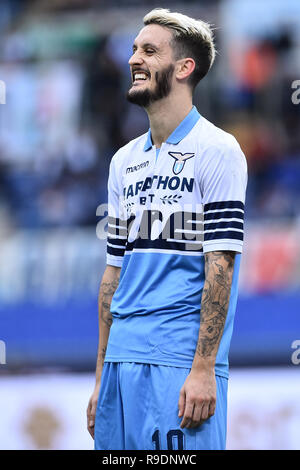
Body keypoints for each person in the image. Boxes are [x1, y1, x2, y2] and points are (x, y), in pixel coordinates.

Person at [87, 8, 247, 450]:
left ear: (184, 67)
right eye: (135, 49)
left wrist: (204, 369)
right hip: (121, 365)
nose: (134, 58)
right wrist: (101, 377)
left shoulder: (219, 150)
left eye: (149, 50)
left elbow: (221, 266)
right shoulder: (123, 161)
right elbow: (113, 275)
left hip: (178, 366)